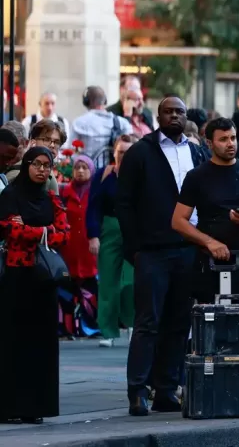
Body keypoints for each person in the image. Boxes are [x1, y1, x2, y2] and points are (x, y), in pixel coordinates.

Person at [117, 97, 208, 416]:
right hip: (152, 251)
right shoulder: (140, 152)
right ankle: (138, 391)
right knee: (147, 323)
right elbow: (124, 203)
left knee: (178, 323)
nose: (174, 116)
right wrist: (135, 247)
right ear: (158, 116)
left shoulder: (197, 151)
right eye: (168, 111)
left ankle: (167, 390)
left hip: (188, 249)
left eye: (179, 112)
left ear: (186, 117)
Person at [172, 118, 239, 305]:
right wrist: (210, 242)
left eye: (233, 138)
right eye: (223, 139)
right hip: (209, 265)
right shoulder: (197, 176)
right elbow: (178, 221)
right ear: (209, 143)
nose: (230, 144)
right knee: (211, 328)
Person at [0, 147, 70, 423]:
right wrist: (45, 231)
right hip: (17, 278)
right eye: (36, 164)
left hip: (44, 280)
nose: (42, 170)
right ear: (26, 165)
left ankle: (36, 407)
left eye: (46, 165)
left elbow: (64, 235)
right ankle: (10, 407)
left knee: (41, 345)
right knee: (13, 342)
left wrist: (36, 231)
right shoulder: (10, 196)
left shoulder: (51, 198)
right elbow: (12, 231)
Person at [88, 134, 138, 348]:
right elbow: (93, 207)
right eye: (121, 152)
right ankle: (107, 330)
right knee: (108, 280)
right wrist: (93, 235)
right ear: (115, 153)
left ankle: (133, 324)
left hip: (134, 230)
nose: (124, 156)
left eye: (129, 152)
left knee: (133, 280)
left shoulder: (142, 175)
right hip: (109, 228)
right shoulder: (104, 175)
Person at [58, 155, 98, 338]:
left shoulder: (96, 193)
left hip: (90, 250)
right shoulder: (64, 193)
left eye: (85, 167)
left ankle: (90, 327)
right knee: (67, 289)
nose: (80, 171)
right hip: (69, 249)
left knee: (90, 290)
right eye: (77, 168)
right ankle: (67, 328)